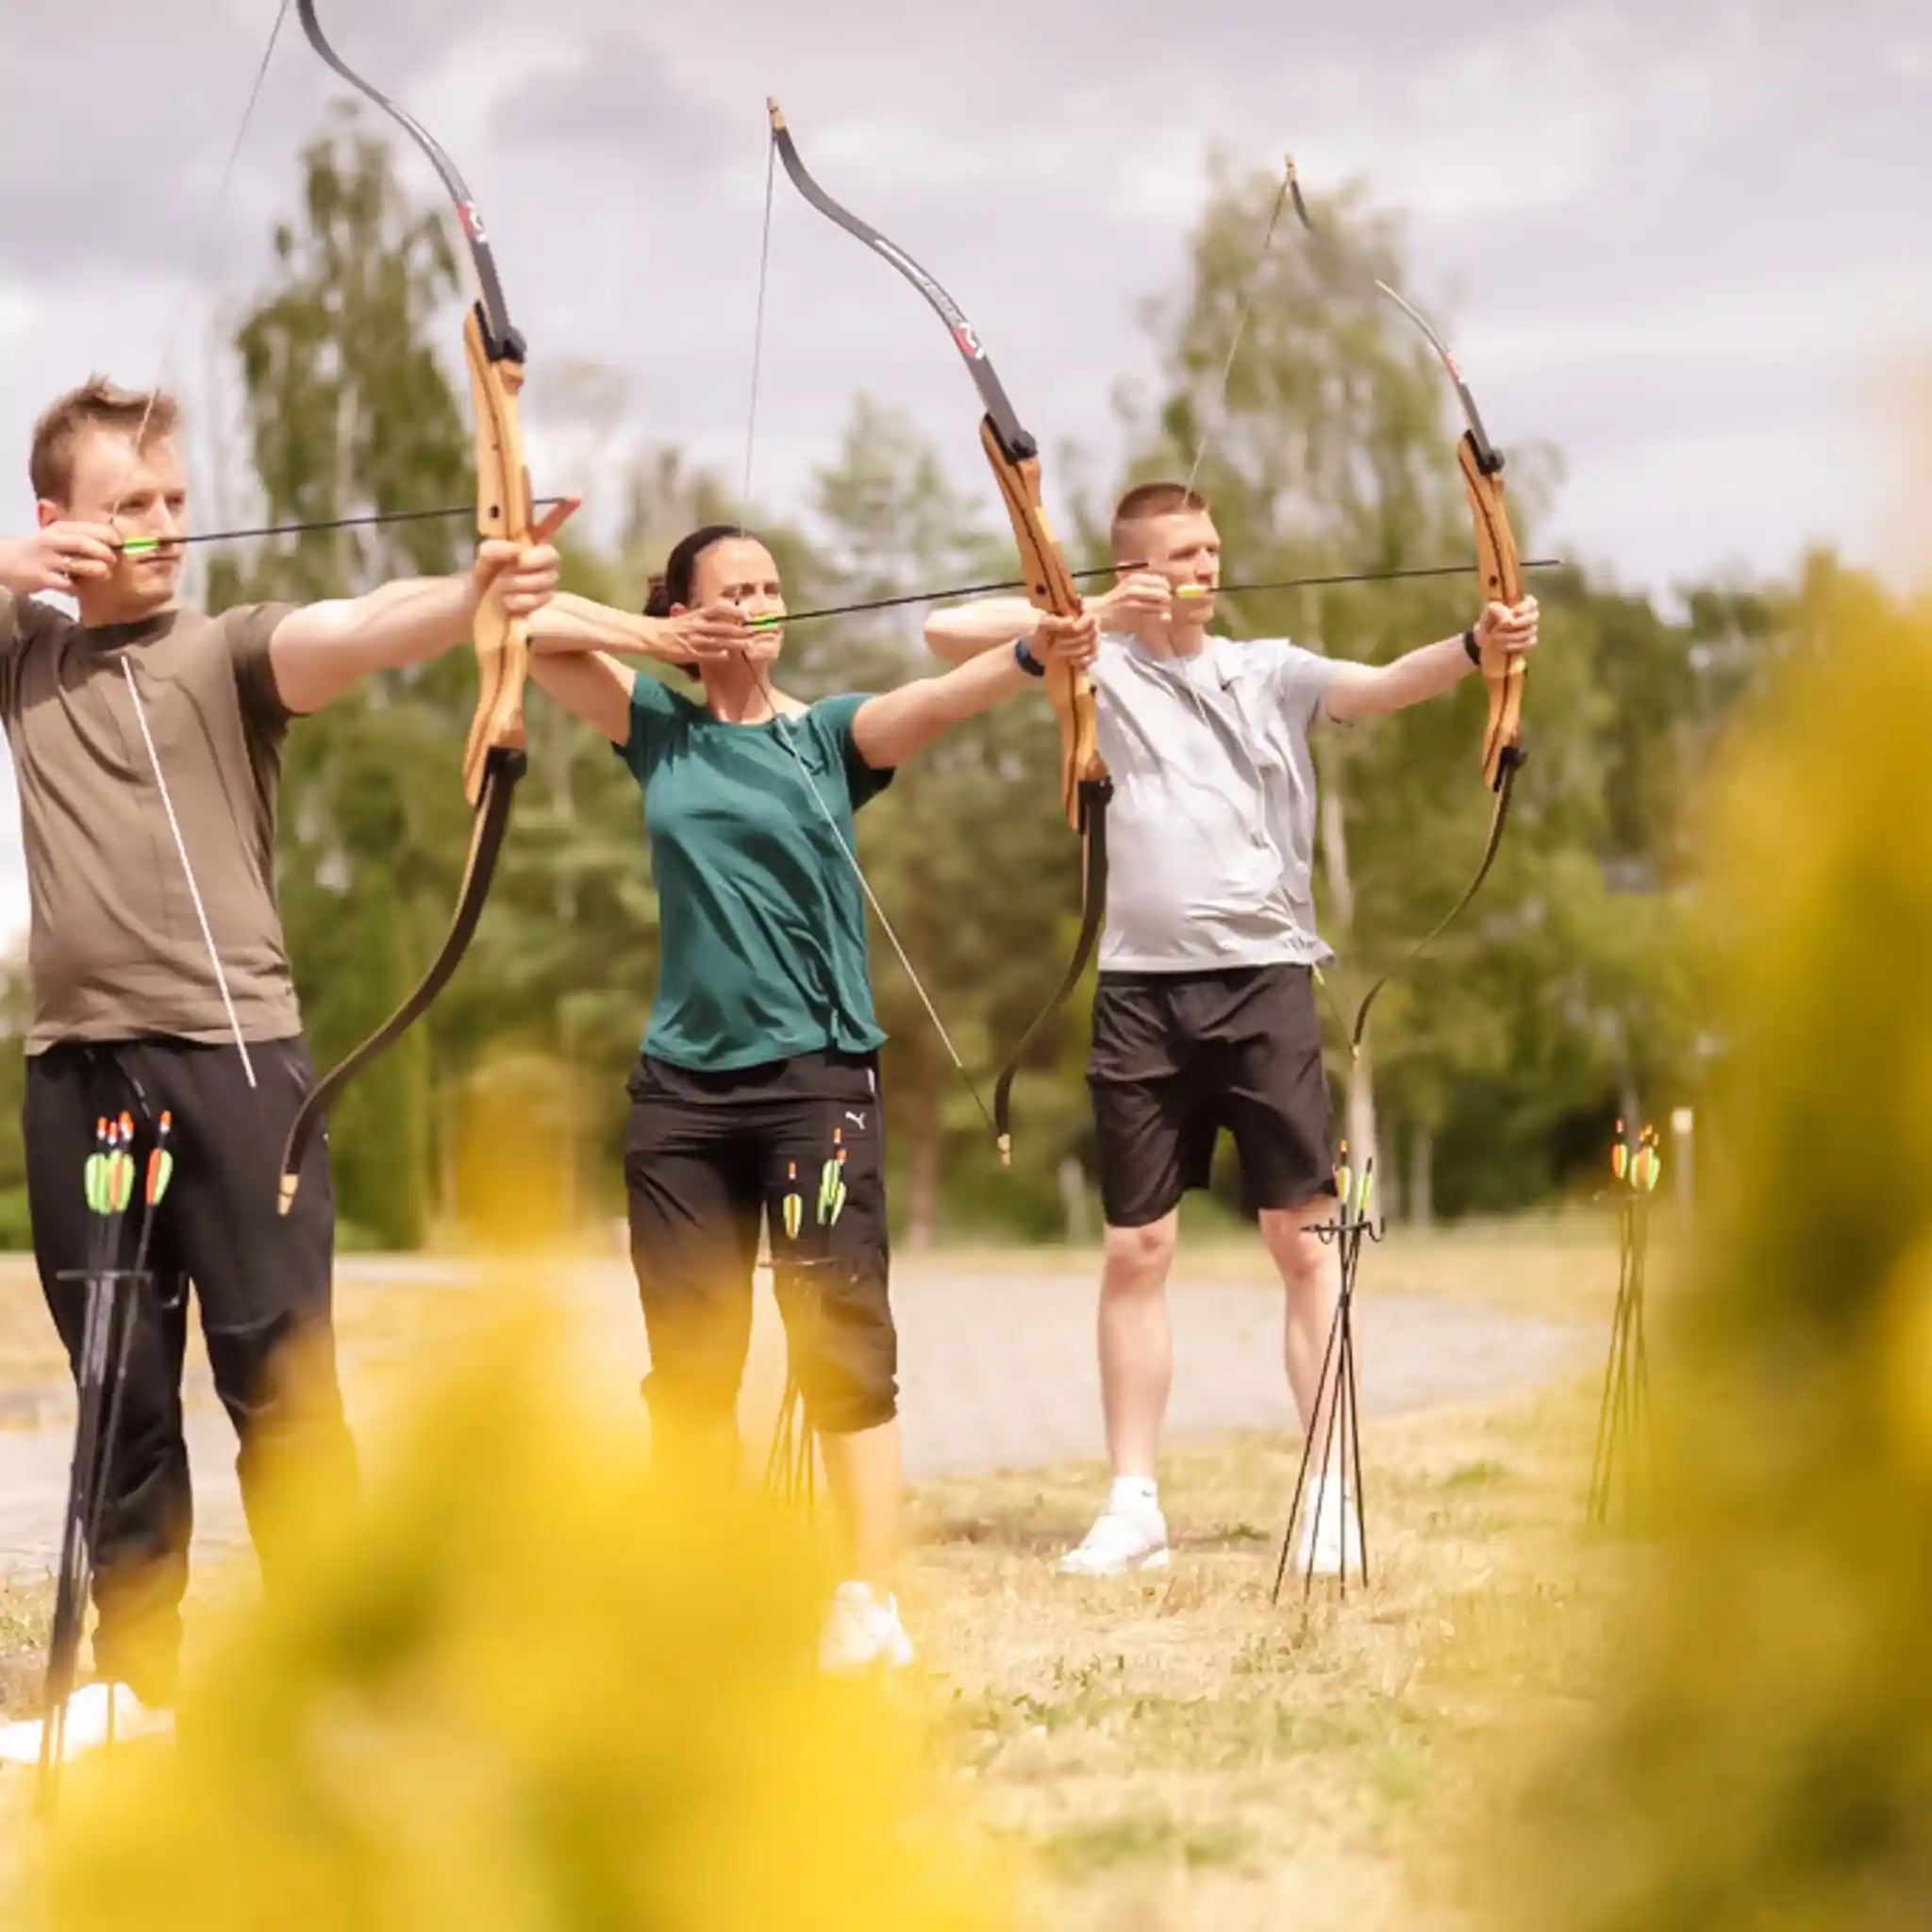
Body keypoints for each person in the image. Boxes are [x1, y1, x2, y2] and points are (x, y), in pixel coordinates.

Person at [0, 377, 561, 1760]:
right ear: (60, 520)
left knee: (282, 1380)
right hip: (77, 1066)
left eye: (178, 502)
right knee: (120, 1388)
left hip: (239, 1062)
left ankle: (345, 1676)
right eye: (132, 506)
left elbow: (353, 633)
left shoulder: (228, 652)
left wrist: (479, 588)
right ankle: (130, 1689)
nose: (166, 527)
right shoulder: (22, 656)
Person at [924, 480, 1540, 1576]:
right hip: (1138, 991)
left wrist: (1476, 641)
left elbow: (1389, 685)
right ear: (1135, 568)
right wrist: (1091, 615)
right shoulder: (1094, 663)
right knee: (1136, 1247)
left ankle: (1328, 1488)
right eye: (1182, 552)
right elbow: (939, 630)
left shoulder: (1269, 669)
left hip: (1263, 985)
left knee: (1301, 1243)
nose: (1206, 564)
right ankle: (1132, 1502)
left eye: (1211, 547)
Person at [526, 521, 1098, 1670]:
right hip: (682, 1089)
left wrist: (1038, 651)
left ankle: (864, 1601)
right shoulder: (659, 730)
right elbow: (528, 628)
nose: (760, 602)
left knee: (841, 1346)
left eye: (772, 586)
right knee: (689, 1361)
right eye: (733, 589)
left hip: (814, 1080)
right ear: (690, 609)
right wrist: (657, 639)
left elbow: (932, 702)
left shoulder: (829, 737)